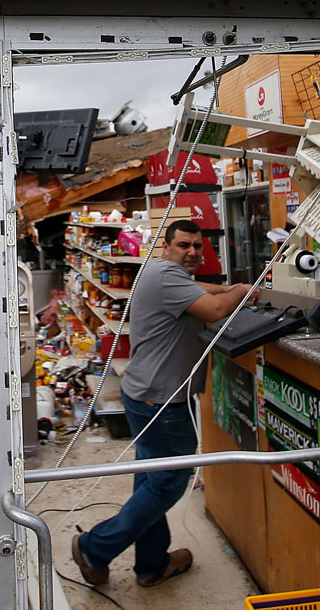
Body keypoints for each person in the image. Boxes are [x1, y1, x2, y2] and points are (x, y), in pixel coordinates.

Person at [72, 219, 254, 588]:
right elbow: (216, 311)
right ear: (166, 248)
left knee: (150, 481)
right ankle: (95, 547)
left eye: (197, 247)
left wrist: (226, 287)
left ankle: (152, 564)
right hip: (162, 402)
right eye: (184, 245)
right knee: (168, 483)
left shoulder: (160, 272)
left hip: (143, 394)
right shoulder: (168, 276)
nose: (192, 252)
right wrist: (245, 291)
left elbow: (198, 288)